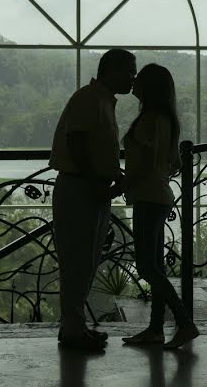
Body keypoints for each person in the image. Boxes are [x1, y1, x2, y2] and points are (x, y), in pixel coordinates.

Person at [49, 48, 136, 351]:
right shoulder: (90, 99)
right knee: (77, 261)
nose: (133, 77)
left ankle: (73, 327)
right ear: (111, 70)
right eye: (129, 71)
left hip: (87, 187)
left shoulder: (99, 100)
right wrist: (95, 182)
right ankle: (73, 329)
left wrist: (111, 178)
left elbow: (89, 146)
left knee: (84, 261)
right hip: (81, 189)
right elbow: (77, 143)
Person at [121, 63, 199, 349]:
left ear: (150, 86)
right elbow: (166, 163)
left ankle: (184, 322)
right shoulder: (163, 118)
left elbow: (146, 166)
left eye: (139, 77)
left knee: (144, 266)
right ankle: (155, 329)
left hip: (149, 197)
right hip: (157, 195)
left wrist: (119, 186)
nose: (134, 79)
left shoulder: (152, 119)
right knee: (155, 267)